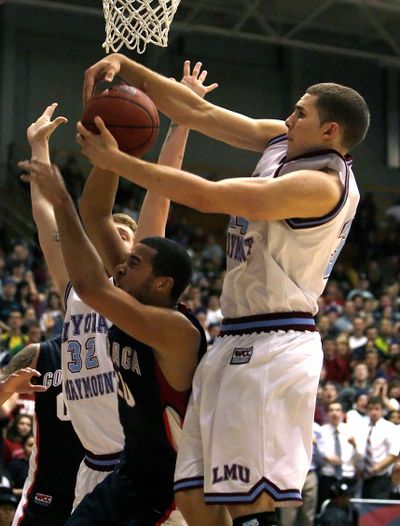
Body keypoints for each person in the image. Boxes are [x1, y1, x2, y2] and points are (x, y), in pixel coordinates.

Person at [76, 53, 370, 526]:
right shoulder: (284, 141)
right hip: (233, 335)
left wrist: (117, 162)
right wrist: (127, 69)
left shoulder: (320, 185)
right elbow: (198, 113)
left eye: (300, 113)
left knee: (249, 501)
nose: (289, 118)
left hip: (276, 340)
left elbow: (209, 197)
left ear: (330, 131)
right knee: (193, 498)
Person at [19, 61, 217, 525]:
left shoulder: (154, 315)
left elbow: (155, 197)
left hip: (165, 476)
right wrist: (97, 132)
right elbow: (85, 214)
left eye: (132, 254)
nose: (122, 256)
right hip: (109, 467)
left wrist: (181, 119)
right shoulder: (96, 286)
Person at [0, 339, 84, 526]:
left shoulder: (115, 345)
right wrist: (7, 388)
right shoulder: (39, 353)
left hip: (100, 478)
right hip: (48, 483)